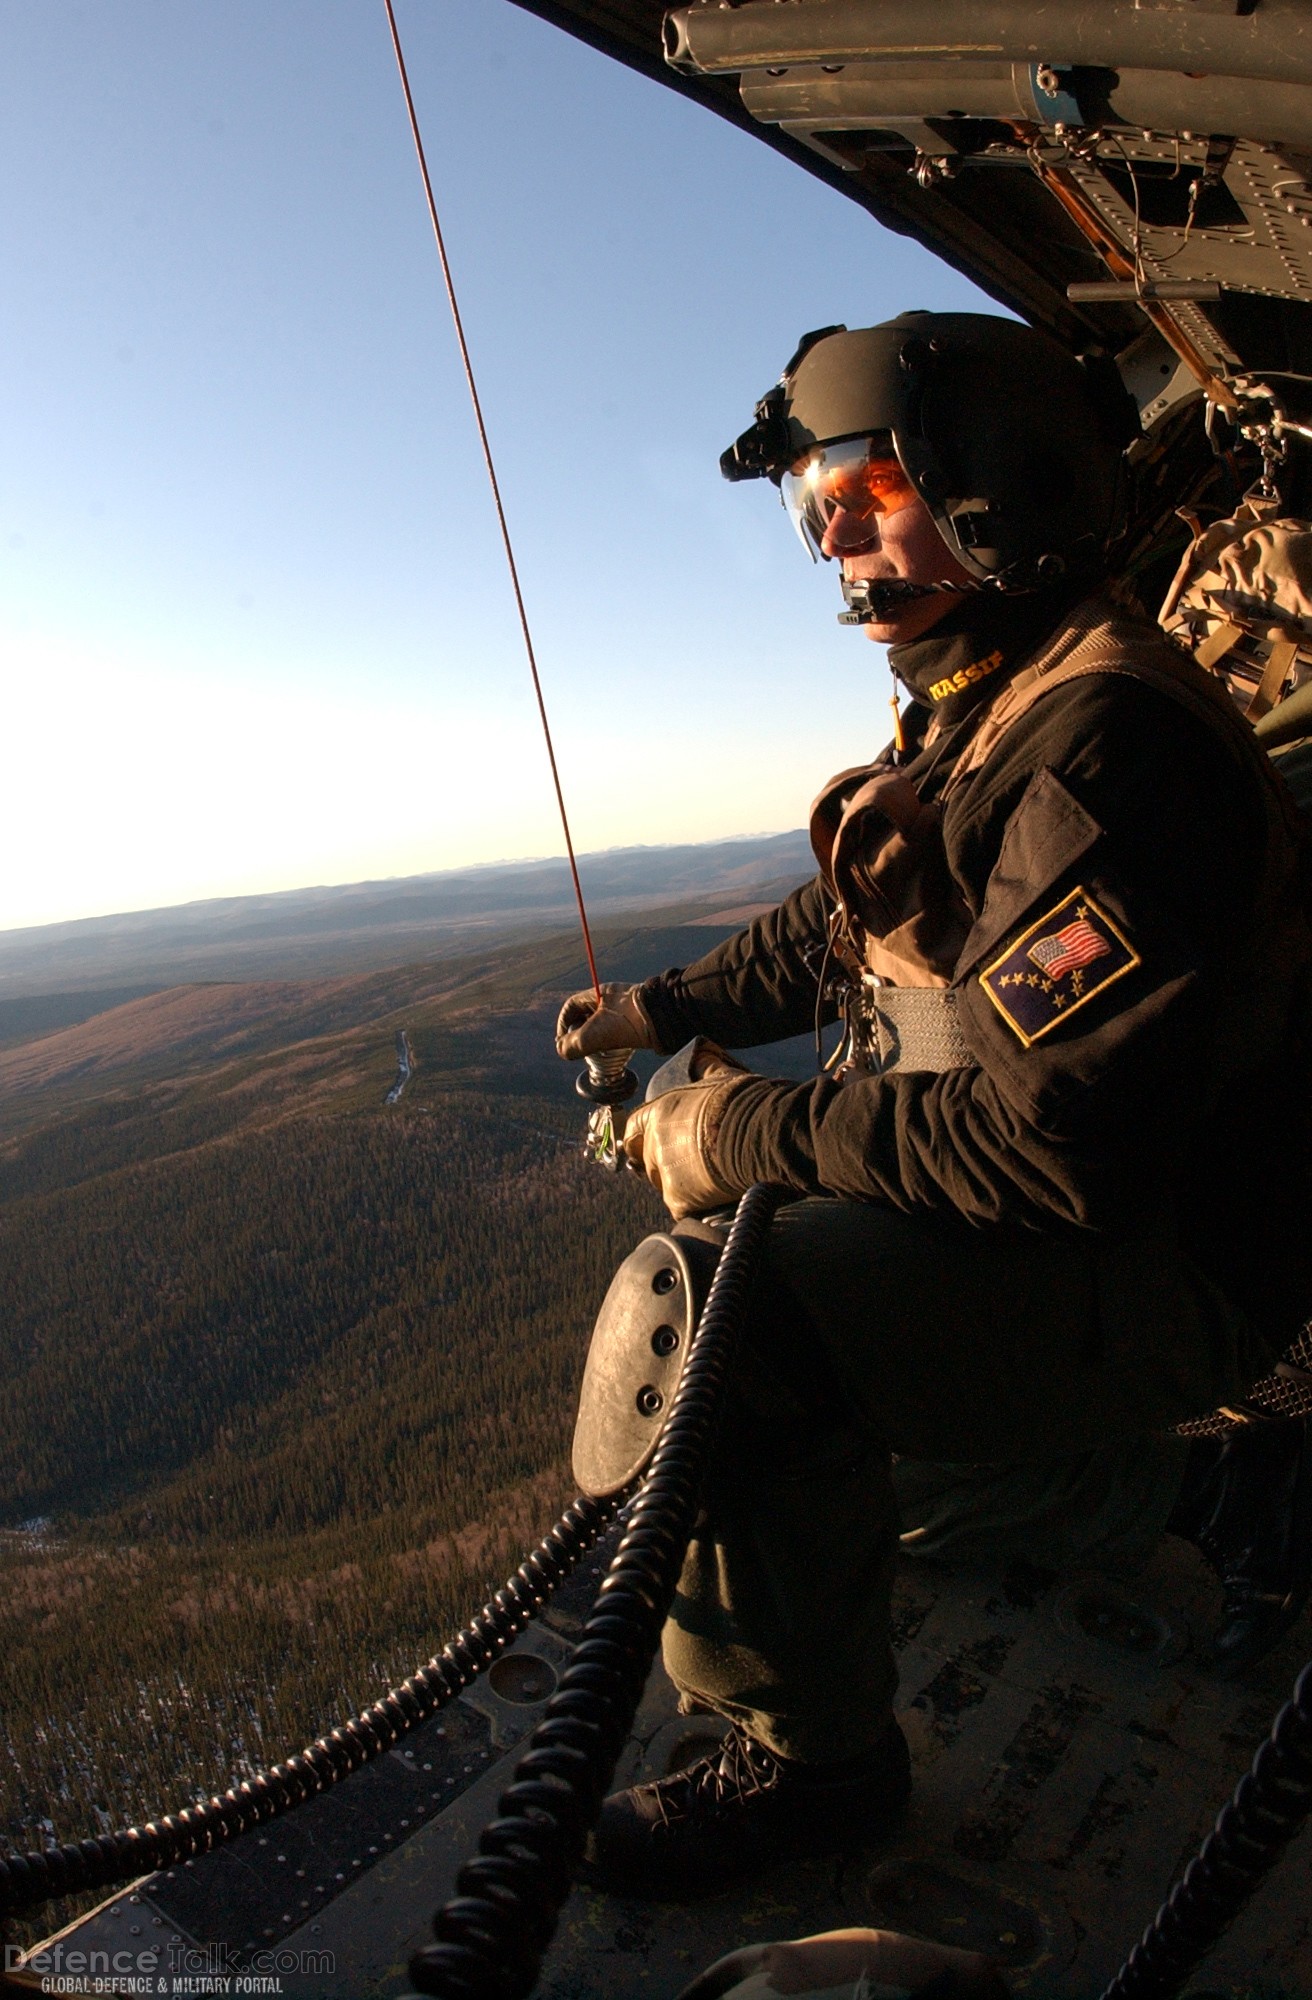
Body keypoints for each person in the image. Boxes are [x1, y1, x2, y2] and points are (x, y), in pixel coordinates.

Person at [555, 314, 1312, 1899]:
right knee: (820, 1507)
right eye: (813, 500)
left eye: (866, 485)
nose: (831, 530)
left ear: (997, 489)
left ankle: (812, 1774)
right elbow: (845, 923)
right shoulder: (1002, 691)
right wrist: (668, 1009)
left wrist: (725, 1132)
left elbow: (1050, 1158)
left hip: (1173, 1259)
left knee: (717, 1324)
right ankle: (1216, 1493)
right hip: (1092, 1216)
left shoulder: (1099, 753)